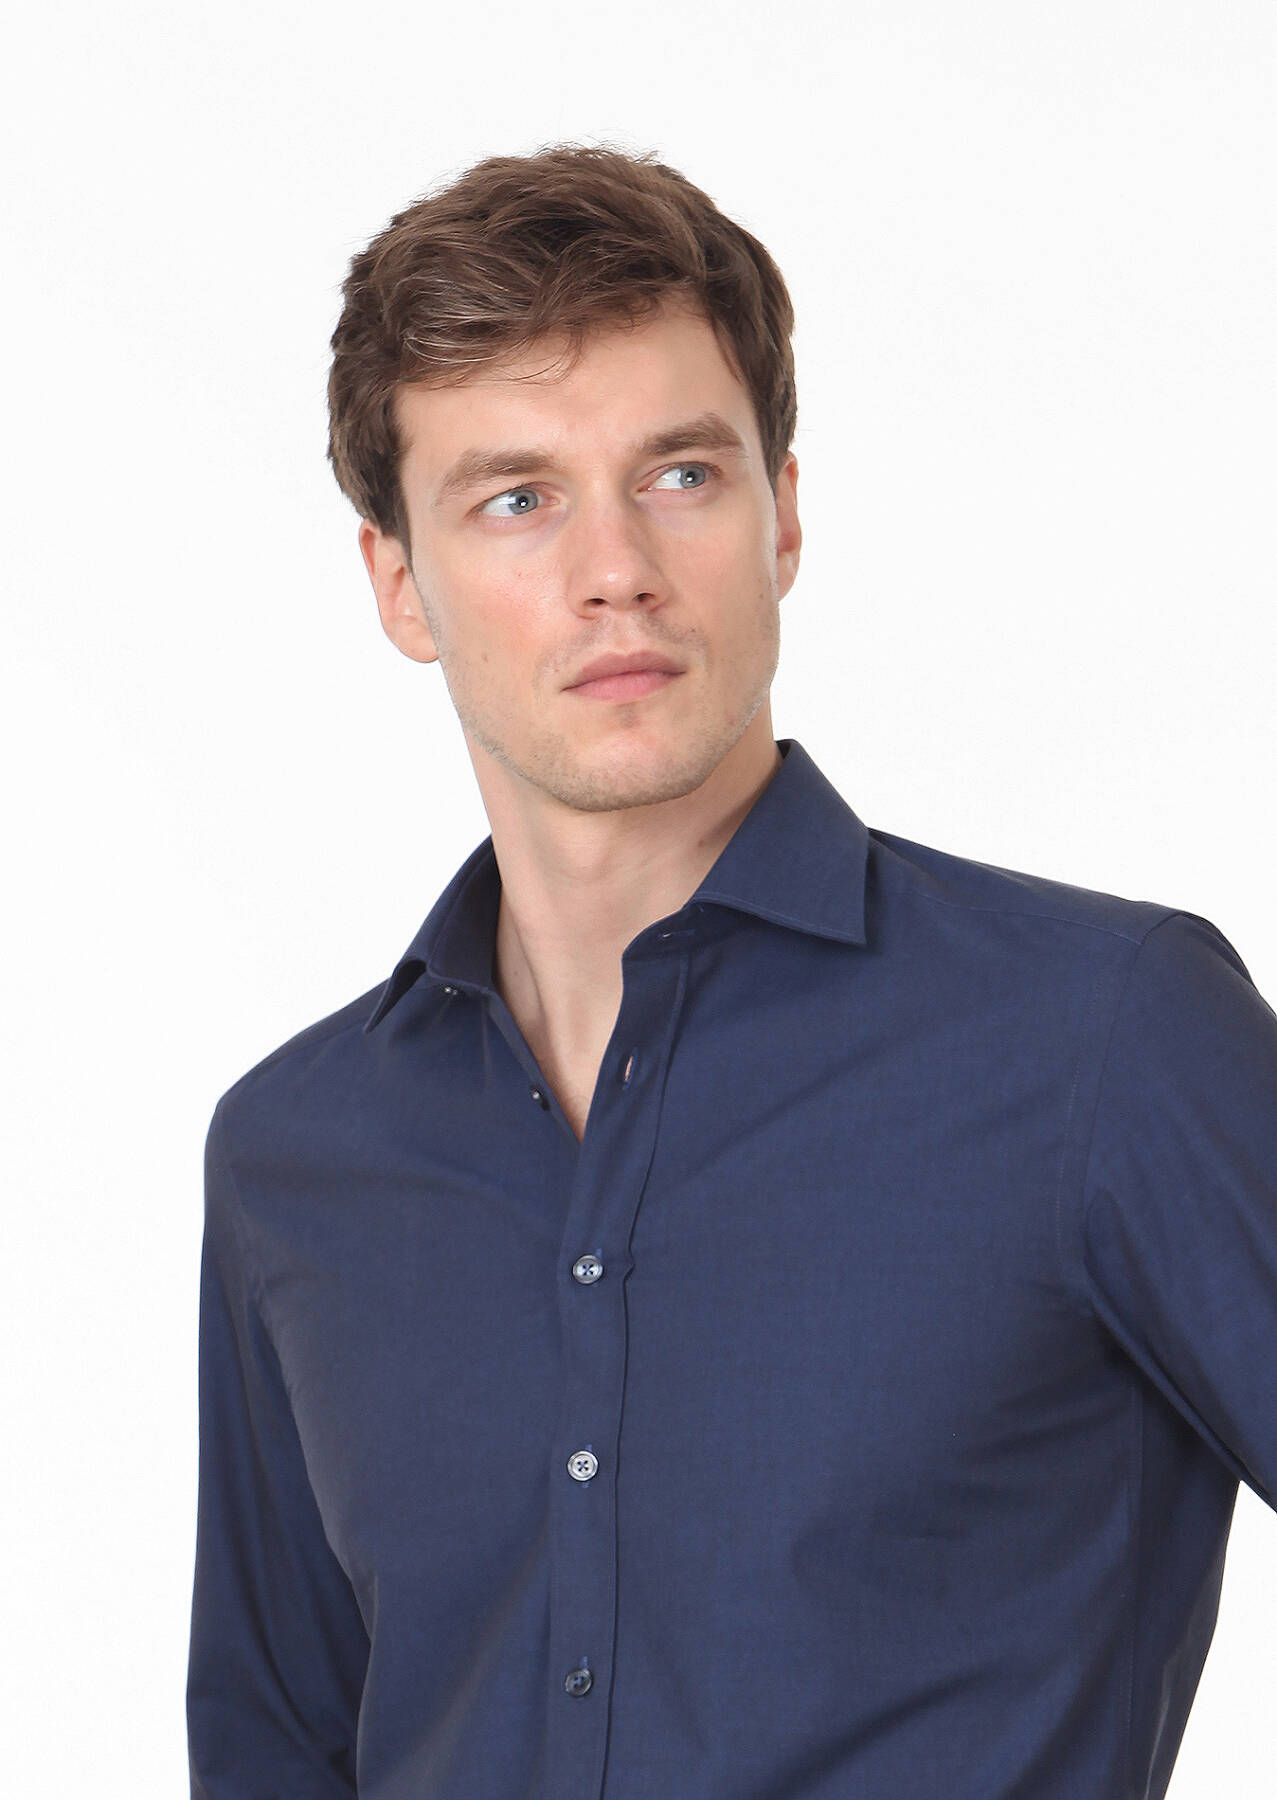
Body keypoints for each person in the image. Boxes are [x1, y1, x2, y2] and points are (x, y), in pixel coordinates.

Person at [186, 143, 1277, 1800]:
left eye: (681, 474)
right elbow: (275, 1753)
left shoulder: (1101, 1036)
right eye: (516, 498)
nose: (613, 567)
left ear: (783, 518)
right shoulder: (297, 1153)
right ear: (400, 583)